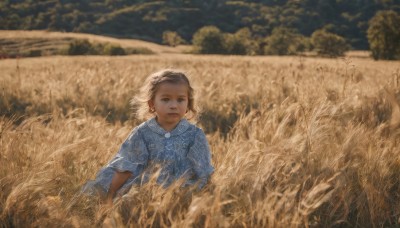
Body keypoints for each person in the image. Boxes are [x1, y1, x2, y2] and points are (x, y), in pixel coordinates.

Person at [82, 69, 214, 204]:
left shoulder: (195, 135)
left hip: (181, 192)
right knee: (127, 201)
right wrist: (110, 196)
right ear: (152, 104)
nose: (174, 105)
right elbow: (126, 166)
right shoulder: (142, 133)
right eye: (166, 99)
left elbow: (204, 172)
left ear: (188, 104)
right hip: (146, 191)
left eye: (180, 100)